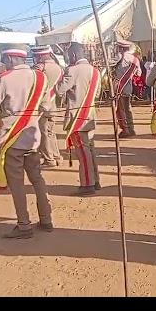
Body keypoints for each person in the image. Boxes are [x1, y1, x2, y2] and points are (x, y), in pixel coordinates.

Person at [0, 44, 53, 238]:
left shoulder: (3, 79)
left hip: (11, 139)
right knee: (37, 179)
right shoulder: (40, 77)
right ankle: (46, 219)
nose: (3, 63)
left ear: (11, 59)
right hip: (33, 138)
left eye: (4, 59)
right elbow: (47, 108)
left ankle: (24, 225)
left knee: (17, 185)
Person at [55, 42, 101, 196]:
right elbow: (98, 93)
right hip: (90, 116)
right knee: (90, 150)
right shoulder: (95, 71)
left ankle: (87, 184)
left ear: (73, 55)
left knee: (82, 152)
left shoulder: (72, 70)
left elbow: (60, 90)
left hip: (77, 118)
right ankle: (95, 180)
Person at [32, 45, 64, 167]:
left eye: (36, 56)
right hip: (53, 104)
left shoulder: (39, 68)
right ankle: (56, 156)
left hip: (42, 105)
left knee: (43, 132)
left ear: (40, 56)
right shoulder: (59, 68)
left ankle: (48, 159)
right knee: (51, 132)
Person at [113, 40, 142, 138]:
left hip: (120, 86)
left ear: (121, 48)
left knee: (121, 110)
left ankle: (125, 129)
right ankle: (131, 128)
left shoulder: (119, 57)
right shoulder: (135, 59)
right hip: (128, 86)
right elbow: (139, 74)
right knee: (128, 109)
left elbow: (110, 66)